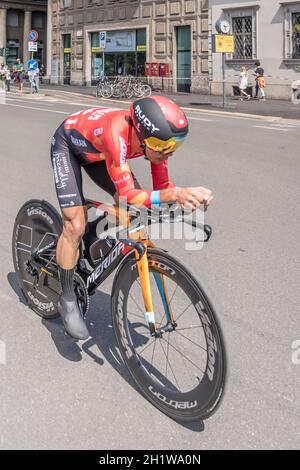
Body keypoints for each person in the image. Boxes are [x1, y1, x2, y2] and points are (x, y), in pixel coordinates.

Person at [50, 96, 213, 340]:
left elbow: (162, 189)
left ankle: (93, 233)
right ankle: (67, 299)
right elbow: (128, 194)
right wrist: (175, 193)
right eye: (162, 145)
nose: (167, 151)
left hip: (100, 154)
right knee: (75, 225)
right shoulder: (118, 134)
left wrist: (188, 199)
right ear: (142, 132)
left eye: (174, 145)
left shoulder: (156, 145)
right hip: (69, 146)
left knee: (137, 210)